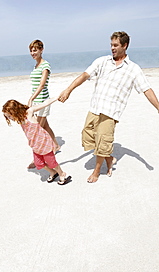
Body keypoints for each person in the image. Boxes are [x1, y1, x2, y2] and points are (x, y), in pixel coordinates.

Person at [58, 31, 159, 183]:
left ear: (125, 46)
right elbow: (85, 75)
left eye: (116, 45)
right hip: (95, 107)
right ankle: (109, 158)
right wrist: (68, 90)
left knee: (103, 141)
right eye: (111, 45)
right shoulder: (102, 61)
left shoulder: (133, 69)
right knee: (87, 136)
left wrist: (158, 107)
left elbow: (147, 89)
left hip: (111, 111)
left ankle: (97, 171)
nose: (112, 48)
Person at [2, 97, 71, 185]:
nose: (9, 118)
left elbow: (45, 104)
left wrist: (58, 97)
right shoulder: (19, 118)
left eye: (9, 115)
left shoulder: (29, 113)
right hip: (35, 145)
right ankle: (53, 172)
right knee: (39, 163)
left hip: (44, 143)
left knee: (51, 162)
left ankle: (62, 173)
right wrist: (30, 99)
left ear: (14, 111)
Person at [27, 39, 60, 169]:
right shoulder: (36, 66)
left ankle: (37, 159)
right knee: (45, 126)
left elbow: (41, 86)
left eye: (35, 50)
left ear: (41, 50)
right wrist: (33, 99)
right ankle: (56, 145)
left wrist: (31, 98)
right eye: (31, 50)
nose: (32, 53)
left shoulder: (45, 66)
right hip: (36, 101)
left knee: (37, 132)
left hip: (43, 101)